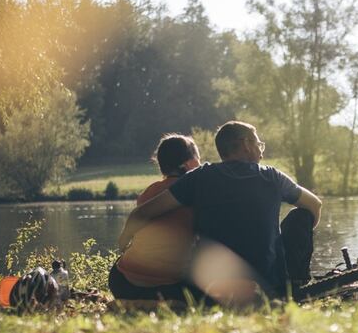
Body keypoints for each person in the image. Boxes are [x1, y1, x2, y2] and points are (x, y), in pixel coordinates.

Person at [117, 121, 322, 300]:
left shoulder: (199, 177)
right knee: (301, 216)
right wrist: (292, 246)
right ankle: (295, 285)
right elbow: (314, 205)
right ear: (246, 144)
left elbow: (143, 213)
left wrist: (124, 241)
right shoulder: (273, 177)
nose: (261, 150)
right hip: (269, 286)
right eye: (259, 144)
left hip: (210, 289)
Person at [109, 134, 201, 302]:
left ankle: (135, 300)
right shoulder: (197, 193)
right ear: (190, 164)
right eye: (198, 160)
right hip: (169, 288)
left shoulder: (149, 192)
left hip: (123, 283)